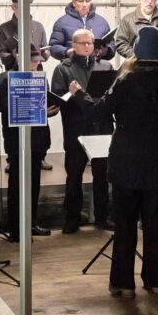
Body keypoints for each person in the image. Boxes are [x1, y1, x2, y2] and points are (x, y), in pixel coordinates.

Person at [101, 26, 158, 297]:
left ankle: (123, 284)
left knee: (125, 225)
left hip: (126, 160)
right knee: (155, 226)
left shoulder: (124, 81)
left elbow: (102, 109)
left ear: (136, 52)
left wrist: (81, 95)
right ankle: (155, 281)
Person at [50, 28, 115, 233]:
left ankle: (102, 217)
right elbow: (58, 98)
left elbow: (112, 95)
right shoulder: (63, 69)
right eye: (83, 43)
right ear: (74, 45)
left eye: (90, 43)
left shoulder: (105, 66)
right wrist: (75, 95)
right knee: (74, 176)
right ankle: (72, 218)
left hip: (101, 127)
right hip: (76, 127)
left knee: (102, 175)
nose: (87, 46)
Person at [0, 43, 58, 240]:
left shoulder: (40, 77)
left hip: (38, 139)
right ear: (19, 58)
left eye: (37, 61)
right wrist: (38, 110)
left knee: (34, 184)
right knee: (17, 185)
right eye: (32, 61)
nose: (35, 64)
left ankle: (31, 223)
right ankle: (16, 229)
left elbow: (43, 103)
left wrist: (49, 110)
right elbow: (6, 108)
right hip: (17, 140)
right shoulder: (6, 79)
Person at [0, 0, 54, 171]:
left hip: (35, 75)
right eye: (21, 6)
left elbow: (46, 49)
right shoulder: (4, 28)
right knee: (14, 115)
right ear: (14, 7)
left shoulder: (38, 26)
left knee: (38, 112)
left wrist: (43, 54)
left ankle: (40, 155)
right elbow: (1, 54)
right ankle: (12, 157)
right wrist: (14, 56)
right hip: (14, 77)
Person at [48, 0, 114, 60]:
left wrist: (107, 51)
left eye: (87, 1)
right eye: (80, 1)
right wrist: (67, 51)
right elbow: (53, 47)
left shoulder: (102, 22)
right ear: (73, 3)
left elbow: (112, 45)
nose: (84, 4)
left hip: (96, 64)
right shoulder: (62, 22)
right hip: (71, 65)